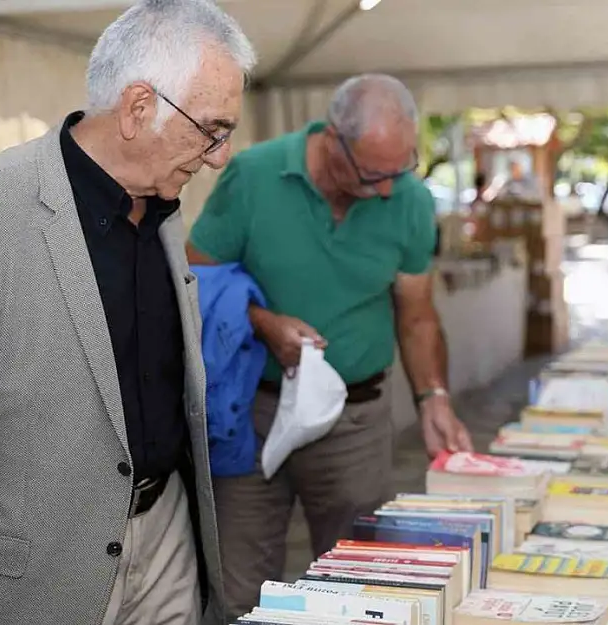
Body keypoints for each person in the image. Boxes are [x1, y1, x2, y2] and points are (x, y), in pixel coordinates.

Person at [0, 2, 255, 625]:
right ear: (140, 106)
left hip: (168, 536)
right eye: (210, 129)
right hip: (33, 579)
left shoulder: (164, 207)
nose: (219, 155)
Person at [186, 73, 474, 619]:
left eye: (400, 169)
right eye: (373, 175)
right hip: (253, 411)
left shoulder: (408, 199)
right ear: (333, 140)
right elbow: (195, 280)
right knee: (241, 586)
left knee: (360, 587)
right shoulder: (253, 174)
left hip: (355, 421)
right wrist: (263, 322)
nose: (388, 189)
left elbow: (416, 316)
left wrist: (433, 395)